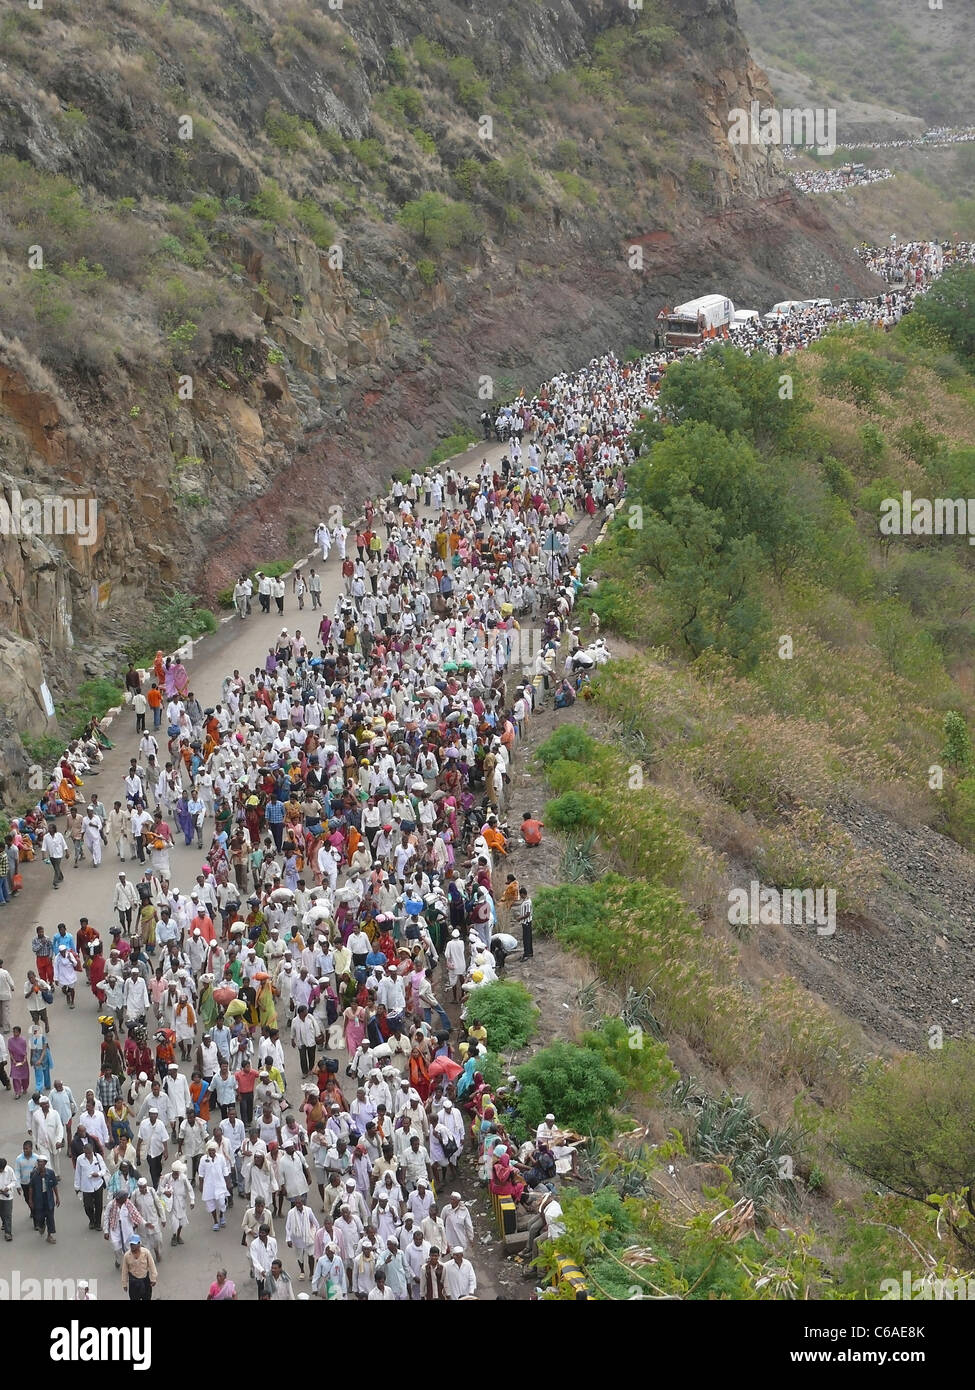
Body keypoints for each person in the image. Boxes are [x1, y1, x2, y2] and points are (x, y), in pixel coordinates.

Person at [28, 1153, 59, 1242]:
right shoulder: (33, 1174)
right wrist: (30, 1200)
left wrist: (57, 1197)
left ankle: (49, 1235)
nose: (40, 1165)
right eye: (39, 1163)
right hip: (38, 1199)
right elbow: (31, 1187)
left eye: (42, 1163)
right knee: (39, 1217)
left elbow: (54, 1186)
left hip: (48, 1198)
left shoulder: (50, 1173)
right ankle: (41, 1225)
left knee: (50, 1217)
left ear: (45, 1163)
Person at [121, 1232, 157, 1301]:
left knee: (147, 1298)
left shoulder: (146, 1253)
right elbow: (124, 1271)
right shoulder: (127, 1256)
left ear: (139, 1244)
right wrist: (124, 1284)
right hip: (133, 1283)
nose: (132, 1246)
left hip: (145, 1281)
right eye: (131, 1244)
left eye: (134, 1244)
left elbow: (152, 1266)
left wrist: (153, 1278)